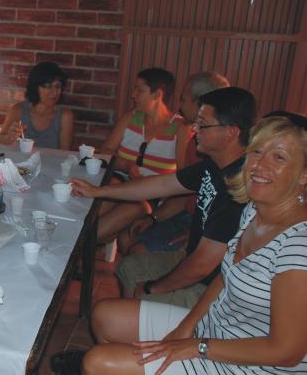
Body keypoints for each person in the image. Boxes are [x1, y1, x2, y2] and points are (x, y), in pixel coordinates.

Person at [82, 113, 307, 375]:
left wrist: (197, 346)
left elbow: (286, 352)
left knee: (98, 363)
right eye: (257, 151)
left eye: (279, 157)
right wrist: (186, 327)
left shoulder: (298, 246)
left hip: (255, 364)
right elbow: (225, 276)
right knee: (104, 315)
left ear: (304, 175)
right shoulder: (254, 210)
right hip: (217, 329)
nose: (259, 165)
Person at [72, 87, 256, 308]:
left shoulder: (239, 186)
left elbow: (202, 265)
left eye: (203, 125)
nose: (195, 129)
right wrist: (97, 191)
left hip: (214, 287)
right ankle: (134, 320)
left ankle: (133, 318)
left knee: (105, 312)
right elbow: (160, 184)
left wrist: (153, 288)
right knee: (128, 268)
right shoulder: (213, 165)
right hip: (193, 262)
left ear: (231, 132)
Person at [118, 72, 230, 255]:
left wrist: (198, 233)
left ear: (201, 104)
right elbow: (184, 193)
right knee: (126, 237)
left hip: (205, 226)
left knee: (137, 250)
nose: (180, 106)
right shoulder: (194, 141)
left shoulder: (220, 149)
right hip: (185, 214)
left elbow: (227, 210)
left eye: (183, 100)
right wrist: (153, 218)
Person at [95, 68, 192, 243]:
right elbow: (105, 152)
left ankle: (79, 243)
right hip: (119, 181)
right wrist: (127, 165)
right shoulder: (130, 118)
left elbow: (184, 174)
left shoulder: (179, 128)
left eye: (140, 90)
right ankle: (81, 242)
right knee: (106, 197)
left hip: (152, 193)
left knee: (135, 208)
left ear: (157, 95)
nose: (133, 95)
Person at [0, 62, 74, 150]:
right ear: (35, 88)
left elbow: (64, 153)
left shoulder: (65, 115)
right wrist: (9, 137)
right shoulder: (19, 110)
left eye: (58, 86)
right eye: (48, 86)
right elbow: (0, 140)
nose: (54, 92)